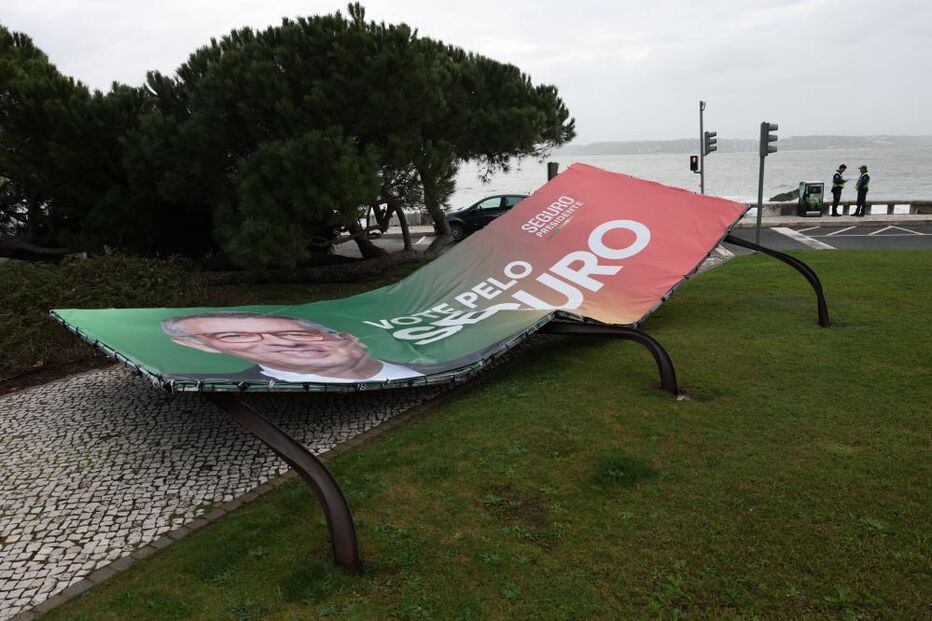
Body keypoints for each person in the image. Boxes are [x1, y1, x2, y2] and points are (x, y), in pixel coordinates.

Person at [161, 311, 423, 383]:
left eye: (296, 333)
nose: (283, 342)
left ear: (348, 337)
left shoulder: (430, 363)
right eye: (235, 336)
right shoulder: (234, 388)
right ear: (205, 346)